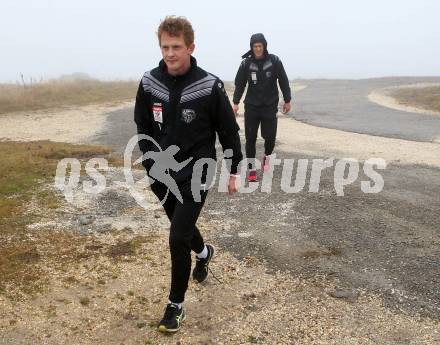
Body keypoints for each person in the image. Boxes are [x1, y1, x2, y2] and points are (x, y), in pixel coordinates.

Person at [134, 16, 242, 333]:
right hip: (162, 173)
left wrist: (235, 170)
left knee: (177, 237)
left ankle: (175, 306)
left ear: (191, 47)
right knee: (183, 228)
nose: (170, 53)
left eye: (176, 47)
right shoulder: (149, 82)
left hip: (197, 170)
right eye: (165, 47)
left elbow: (229, 133)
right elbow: (142, 123)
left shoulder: (209, 86)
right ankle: (205, 253)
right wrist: (149, 158)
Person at [232, 33, 292, 182]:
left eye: (260, 46)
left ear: (264, 46)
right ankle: (252, 169)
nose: (258, 49)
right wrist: (235, 102)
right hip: (252, 106)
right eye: (255, 46)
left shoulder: (274, 61)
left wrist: (287, 99)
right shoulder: (246, 64)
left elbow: (283, 80)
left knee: (270, 137)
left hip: (270, 105)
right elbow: (240, 84)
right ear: (251, 47)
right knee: (250, 138)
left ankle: (267, 156)